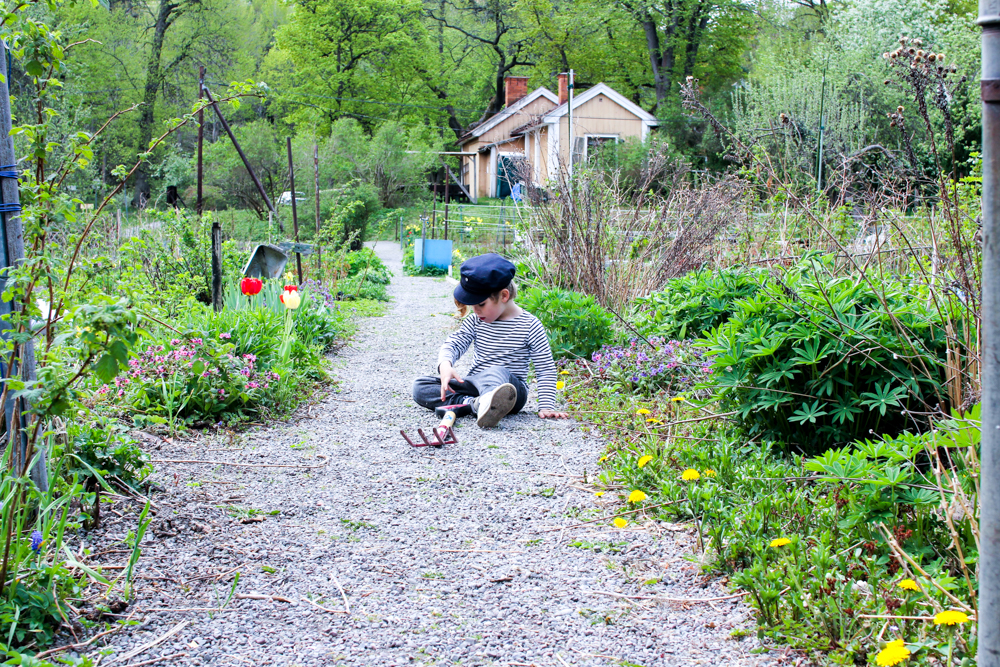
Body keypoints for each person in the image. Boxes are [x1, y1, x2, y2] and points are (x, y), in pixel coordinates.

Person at [411, 253, 570, 428]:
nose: (475, 310)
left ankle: (487, 402)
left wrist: (547, 406)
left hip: (510, 392)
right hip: (476, 384)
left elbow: (545, 368)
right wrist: (445, 365)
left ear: (503, 295)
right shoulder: (475, 321)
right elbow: (454, 343)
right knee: (421, 386)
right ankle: (474, 404)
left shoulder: (530, 325)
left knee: (496, 371)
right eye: (472, 305)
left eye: (480, 304)